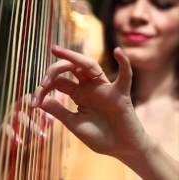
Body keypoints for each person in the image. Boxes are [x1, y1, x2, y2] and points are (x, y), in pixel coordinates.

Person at [31, 0, 179, 179]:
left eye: (162, 4)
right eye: (124, 2)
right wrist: (3, 148)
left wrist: (139, 151)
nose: (137, 14)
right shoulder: (76, 106)